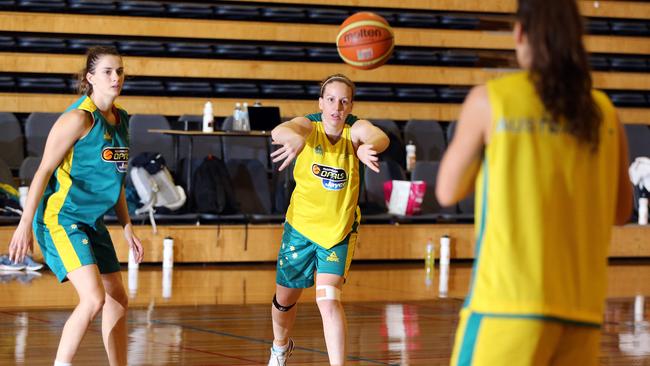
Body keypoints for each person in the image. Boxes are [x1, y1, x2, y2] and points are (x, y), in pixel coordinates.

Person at [436, 0, 633, 364]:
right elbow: (621, 212)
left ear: (520, 32)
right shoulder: (604, 112)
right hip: (581, 314)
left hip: (506, 308)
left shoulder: (492, 100)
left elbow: (447, 190)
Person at [8, 46, 143, 366]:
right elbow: (40, 171)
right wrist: (24, 224)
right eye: (108, 71)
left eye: (120, 71)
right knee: (94, 298)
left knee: (118, 298)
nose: (116, 77)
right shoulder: (78, 119)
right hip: (61, 217)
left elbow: (117, 182)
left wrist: (128, 228)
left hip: (92, 220)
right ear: (90, 78)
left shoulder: (122, 119)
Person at [268, 74, 389, 366]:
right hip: (300, 227)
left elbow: (379, 136)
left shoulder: (354, 128)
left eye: (344, 100)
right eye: (331, 99)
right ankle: (280, 346)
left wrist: (366, 146)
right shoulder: (310, 125)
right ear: (321, 103)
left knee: (328, 299)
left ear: (350, 105)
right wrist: (293, 138)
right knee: (285, 300)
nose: (337, 106)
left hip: (338, 232)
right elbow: (281, 130)